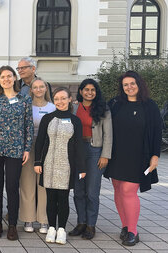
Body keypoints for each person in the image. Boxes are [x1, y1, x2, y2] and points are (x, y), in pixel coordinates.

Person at [105, 71, 161, 246]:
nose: (129, 87)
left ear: (139, 84)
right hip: (117, 155)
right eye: (125, 85)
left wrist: (155, 156)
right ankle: (125, 225)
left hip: (139, 156)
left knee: (129, 191)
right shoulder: (115, 104)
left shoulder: (149, 106)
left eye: (132, 83)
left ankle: (133, 231)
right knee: (118, 189)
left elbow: (157, 131)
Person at [0, 66, 33, 241]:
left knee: (12, 187)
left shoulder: (24, 98)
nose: (6, 79)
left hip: (15, 149)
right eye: (2, 77)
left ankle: (12, 225)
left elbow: (28, 126)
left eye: (9, 76)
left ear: (14, 78)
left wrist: (27, 148)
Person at [34, 87, 86, 245]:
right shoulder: (48, 118)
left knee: (63, 198)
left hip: (66, 164)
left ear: (70, 99)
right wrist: (38, 162)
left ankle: (61, 229)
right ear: (53, 100)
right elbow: (40, 142)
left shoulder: (75, 120)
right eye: (57, 99)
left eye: (63, 98)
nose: (60, 102)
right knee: (50, 198)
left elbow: (78, 146)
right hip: (49, 163)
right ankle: (51, 228)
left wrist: (82, 167)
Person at [69, 79, 112, 240]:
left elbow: (109, 134)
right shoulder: (73, 107)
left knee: (92, 192)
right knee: (79, 190)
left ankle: (90, 225)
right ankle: (81, 222)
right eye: (86, 89)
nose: (89, 92)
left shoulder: (103, 109)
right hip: (77, 152)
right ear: (80, 91)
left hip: (95, 151)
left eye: (92, 90)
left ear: (96, 92)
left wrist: (105, 155)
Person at [19, 78, 55, 234]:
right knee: (27, 182)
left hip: (47, 148)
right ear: (31, 90)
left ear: (46, 88)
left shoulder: (53, 107)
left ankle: (44, 220)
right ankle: (28, 218)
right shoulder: (26, 106)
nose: (39, 89)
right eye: (35, 87)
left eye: (42, 86)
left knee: (44, 184)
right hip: (28, 147)